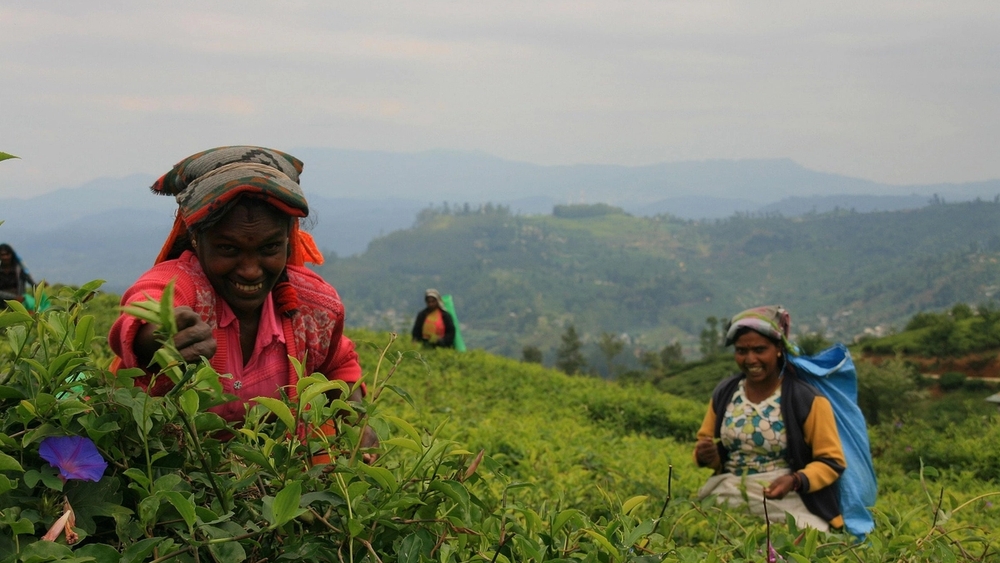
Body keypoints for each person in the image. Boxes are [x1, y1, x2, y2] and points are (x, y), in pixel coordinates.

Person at [108, 146, 376, 461]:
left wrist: (356, 420)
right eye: (228, 248)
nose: (250, 270)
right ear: (196, 238)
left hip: (276, 484)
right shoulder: (184, 286)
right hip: (168, 477)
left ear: (289, 239)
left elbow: (337, 364)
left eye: (269, 247)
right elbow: (146, 303)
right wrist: (158, 335)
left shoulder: (313, 306)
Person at [694, 305, 846, 532]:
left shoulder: (806, 399)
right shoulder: (726, 393)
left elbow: (832, 462)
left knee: (807, 535)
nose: (750, 359)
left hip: (786, 495)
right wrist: (707, 456)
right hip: (730, 489)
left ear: (778, 349)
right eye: (741, 351)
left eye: (759, 349)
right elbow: (708, 449)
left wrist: (795, 480)